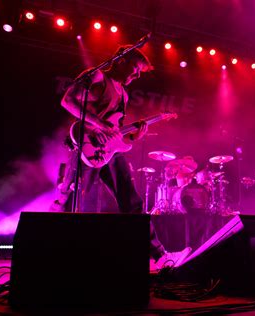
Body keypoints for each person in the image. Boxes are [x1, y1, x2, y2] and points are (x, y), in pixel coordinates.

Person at [51, 45, 190, 268]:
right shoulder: (97, 76)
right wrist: (98, 123)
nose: (136, 76)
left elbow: (115, 133)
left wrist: (134, 137)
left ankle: (161, 257)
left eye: (139, 73)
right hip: (85, 148)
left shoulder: (124, 93)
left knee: (132, 201)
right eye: (135, 69)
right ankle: (62, 259)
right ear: (121, 60)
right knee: (78, 203)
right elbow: (67, 101)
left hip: (107, 153)